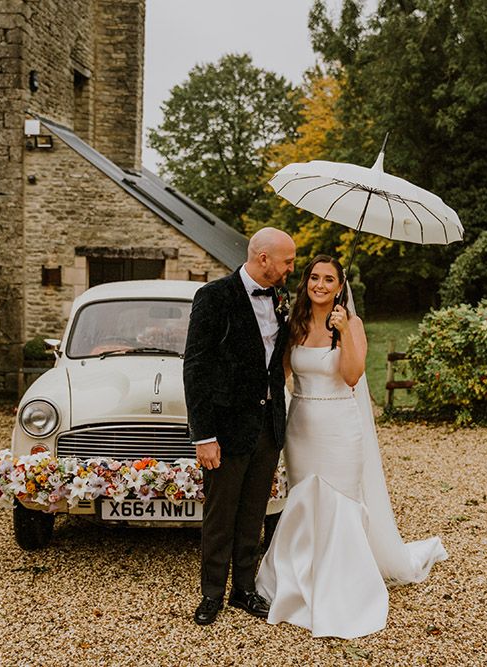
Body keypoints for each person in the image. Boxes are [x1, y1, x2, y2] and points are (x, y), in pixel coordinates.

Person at [255, 255, 448, 638]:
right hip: (301, 426)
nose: (320, 285)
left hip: (339, 426)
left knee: (339, 501)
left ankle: (342, 587)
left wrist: (342, 333)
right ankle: (294, 581)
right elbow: (284, 374)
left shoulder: (351, 323)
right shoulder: (294, 321)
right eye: (314, 277)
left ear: (340, 286)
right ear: (306, 282)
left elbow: (353, 374)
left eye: (329, 279)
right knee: (303, 499)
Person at [183, 227, 296, 626]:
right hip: (225, 430)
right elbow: (195, 368)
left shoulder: (281, 298)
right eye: (288, 261)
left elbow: (274, 363)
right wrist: (205, 435)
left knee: (252, 513)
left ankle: (244, 590)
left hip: (267, 427)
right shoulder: (214, 296)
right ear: (263, 258)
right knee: (220, 516)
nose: (291, 268)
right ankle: (211, 593)